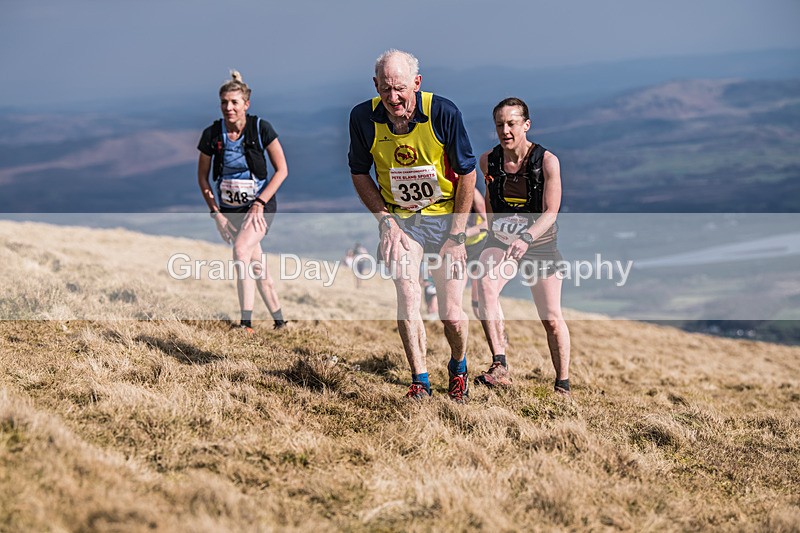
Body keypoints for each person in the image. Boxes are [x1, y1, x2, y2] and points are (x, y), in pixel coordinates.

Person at [348, 49, 477, 402]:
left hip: (446, 218)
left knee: (451, 315)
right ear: (376, 85)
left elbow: (468, 173)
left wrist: (458, 235)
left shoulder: (443, 112)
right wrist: (385, 221)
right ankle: (420, 380)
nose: (393, 97)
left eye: (400, 88)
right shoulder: (362, 118)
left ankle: (458, 366)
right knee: (408, 297)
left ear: (416, 84)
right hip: (403, 222)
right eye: (385, 89)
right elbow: (359, 172)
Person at [474, 97, 572, 396]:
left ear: (526, 125)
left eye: (512, 123)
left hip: (539, 243)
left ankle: (563, 384)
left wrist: (526, 237)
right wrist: (492, 233)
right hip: (502, 241)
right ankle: (500, 365)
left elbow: (551, 211)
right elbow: (490, 200)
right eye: (500, 124)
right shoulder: (487, 160)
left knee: (551, 319)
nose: (505, 130)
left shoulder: (546, 161)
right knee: (485, 285)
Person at [197, 70, 289, 333]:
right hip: (229, 210)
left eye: (234, 102)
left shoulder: (261, 129)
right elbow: (202, 179)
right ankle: (280, 321)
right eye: (224, 102)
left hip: (260, 207)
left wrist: (259, 202)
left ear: (246, 104)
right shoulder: (212, 134)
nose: (229, 107)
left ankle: (245, 323)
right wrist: (216, 214)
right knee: (257, 264)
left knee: (240, 251)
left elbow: (282, 170)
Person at [465, 189, 489, 318]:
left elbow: (490, 222)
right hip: (457, 247)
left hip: (477, 245)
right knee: (453, 295)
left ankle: (489, 332)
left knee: (479, 294)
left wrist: (467, 233)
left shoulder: (472, 193)